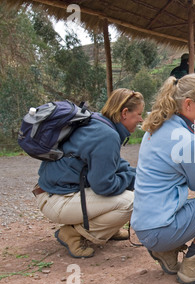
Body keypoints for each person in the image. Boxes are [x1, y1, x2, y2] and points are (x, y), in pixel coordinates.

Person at [131, 74, 195, 284]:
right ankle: (193, 265)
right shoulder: (188, 140)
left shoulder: (157, 127)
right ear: (188, 104)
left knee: (189, 203)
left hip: (144, 225)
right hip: (160, 230)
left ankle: (166, 251)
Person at [34, 89, 144, 258]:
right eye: (138, 114)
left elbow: (115, 166)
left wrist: (141, 175)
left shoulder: (98, 123)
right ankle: (73, 234)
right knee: (131, 201)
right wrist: (134, 179)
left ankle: (108, 229)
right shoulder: (107, 135)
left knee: (126, 187)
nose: (141, 119)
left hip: (51, 193)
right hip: (57, 200)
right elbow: (104, 185)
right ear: (124, 113)